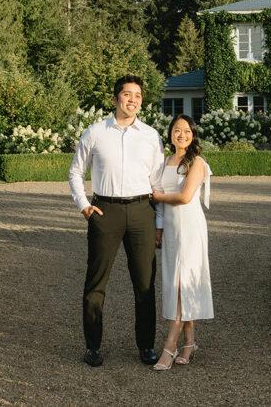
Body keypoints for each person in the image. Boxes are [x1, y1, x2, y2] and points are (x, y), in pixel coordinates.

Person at [69, 75, 165, 368]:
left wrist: (159, 222)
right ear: (115, 99)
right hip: (105, 211)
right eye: (127, 94)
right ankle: (92, 347)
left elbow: (158, 183)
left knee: (145, 284)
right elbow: (76, 172)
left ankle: (146, 346)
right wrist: (84, 206)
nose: (132, 100)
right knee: (96, 283)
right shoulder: (95, 133)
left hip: (142, 212)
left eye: (138, 95)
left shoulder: (151, 136)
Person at [150, 114, 213, 371]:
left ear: (193, 134)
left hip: (190, 229)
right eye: (177, 130)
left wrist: (157, 196)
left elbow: (185, 197)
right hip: (172, 231)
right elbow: (161, 204)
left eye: (186, 131)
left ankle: (169, 347)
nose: (181, 135)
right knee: (178, 283)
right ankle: (190, 343)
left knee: (180, 285)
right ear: (170, 134)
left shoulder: (197, 162)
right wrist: (159, 228)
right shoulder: (165, 162)